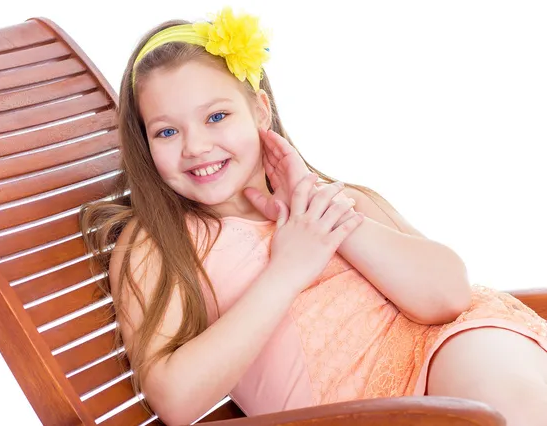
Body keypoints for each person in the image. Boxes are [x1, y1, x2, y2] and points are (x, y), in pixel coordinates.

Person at [80, 7, 547, 426]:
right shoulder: (159, 245)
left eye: (217, 117)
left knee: (504, 400)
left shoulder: (332, 200)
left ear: (260, 111)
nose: (196, 146)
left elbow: (448, 298)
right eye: (166, 131)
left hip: (454, 351)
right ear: (146, 144)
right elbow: (177, 402)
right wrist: (288, 268)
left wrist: (324, 216)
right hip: (372, 414)